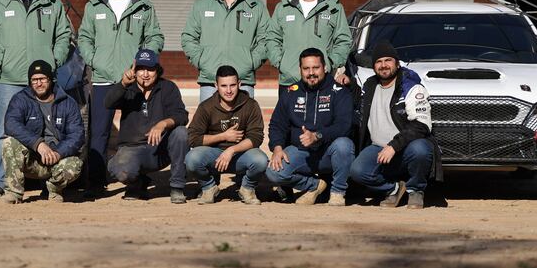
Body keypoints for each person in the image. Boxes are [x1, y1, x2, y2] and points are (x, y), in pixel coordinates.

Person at [0, 0, 73, 197]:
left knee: (48, 130)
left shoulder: (52, 2)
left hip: (43, 80)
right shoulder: (0, 2)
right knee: (3, 130)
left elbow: (64, 34)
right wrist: (0, 59)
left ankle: (48, 181)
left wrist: (55, 60)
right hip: (9, 78)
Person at [78, 0, 164, 195]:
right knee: (99, 133)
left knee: (137, 133)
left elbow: (155, 37)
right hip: (103, 79)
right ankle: (95, 183)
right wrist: (95, 60)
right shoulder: (95, 5)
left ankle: (138, 181)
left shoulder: (144, 6)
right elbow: (84, 37)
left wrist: (143, 63)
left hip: (135, 80)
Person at [349, 40, 441, 209]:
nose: (383, 65)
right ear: (374, 66)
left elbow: (422, 125)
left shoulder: (411, 87)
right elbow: (357, 104)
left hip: (405, 147)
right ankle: (394, 189)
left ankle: (416, 190)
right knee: (357, 171)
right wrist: (347, 83)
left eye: (388, 60)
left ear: (397, 64)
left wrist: (393, 146)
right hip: (378, 147)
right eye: (378, 61)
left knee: (421, 149)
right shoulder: (369, 85)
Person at [265, 48, 355, 206]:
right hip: (302, 152)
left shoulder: (339, 91)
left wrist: (317, 135)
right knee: (273, 172)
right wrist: (277, 148)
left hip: (329, 152)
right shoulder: (290, 92)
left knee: (344, 145)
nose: (311, 73)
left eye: (316, 68)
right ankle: (314, 185)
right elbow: (277, 124)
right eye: (306, 69)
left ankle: (337, 192)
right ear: (300, 69)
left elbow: (344, 126)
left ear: (325, 68)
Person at [104, 49, 188, 203]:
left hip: (160, 149)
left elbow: (182, 115)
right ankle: (137, 183)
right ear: (134, 71)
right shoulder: (127, 89)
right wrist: (122, 84)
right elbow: (108, 103)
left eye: (150, 69)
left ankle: (177, 186)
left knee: (181, 132)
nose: (145, 74)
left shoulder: (168, 87)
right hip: (132, 149)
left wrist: (162, 124)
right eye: (141, 69)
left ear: (157, 70)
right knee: (121, 171)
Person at [181, 0, 269, 102]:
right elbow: (188, 37)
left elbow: (266, 39)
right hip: (210, 81)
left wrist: (250, 63)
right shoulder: (201, 5)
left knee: (242, 124)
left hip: (243, 81)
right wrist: (202, 62)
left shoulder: (256, 7)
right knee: (209, 125)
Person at [2, 60, 85, 204]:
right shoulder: (21, 99)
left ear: (51, 79)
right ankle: (14, 192)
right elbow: (11, 124)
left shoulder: (68, 102)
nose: (38, 84)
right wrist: (38, 144)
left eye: (42, 79)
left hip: (57, 159)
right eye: (34, 80)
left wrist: (58, 152)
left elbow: (77, 135)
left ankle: (53, 190)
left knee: (75, 164)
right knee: (9, 143)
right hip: (33, 159)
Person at [267, 0, 351, 98]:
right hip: (290, 80)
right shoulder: (283, 8)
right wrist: (281, 62)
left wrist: (329, 62)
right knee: (287, 120)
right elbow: (271, 37)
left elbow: (343, 40)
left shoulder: (333, 8)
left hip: (322, 81)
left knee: (321, 119)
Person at [186, 65, 268, 205]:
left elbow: (256, 137)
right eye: (224, 86)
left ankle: (247, 188)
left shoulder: (251, 105)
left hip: (240, 155)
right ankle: (209, 187)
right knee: (192, 159)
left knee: (261, 160)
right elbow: (193, 138)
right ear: (216, 85)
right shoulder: (206, 107)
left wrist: (231, 150)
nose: (228, 90)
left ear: (239, 84)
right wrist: (223, 136)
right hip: (214, 155)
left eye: (232, 85)